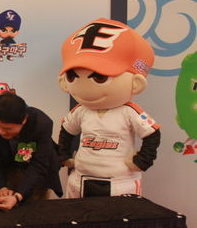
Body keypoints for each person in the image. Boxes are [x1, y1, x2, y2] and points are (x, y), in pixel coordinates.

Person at [58, 18, 160, 198]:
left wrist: (143, 160)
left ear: (136, 83)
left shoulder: (129, 112)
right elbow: (66, 130)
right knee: (77, 215)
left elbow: (152, 133)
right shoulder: (80, 111)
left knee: (119, 216)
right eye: (72, 77)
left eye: (100, 77)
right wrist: (63, 155)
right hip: (81, 178)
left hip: (120, 181)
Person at [0, 93, 63, 210]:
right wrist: (1, 187)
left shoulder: (41, 123)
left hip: (35, 169)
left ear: (24, 120)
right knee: (7, 208)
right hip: (8, 166)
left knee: (34, 209)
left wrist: (18, 196)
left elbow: (39, 164)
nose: (2, 132)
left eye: (8, 128)